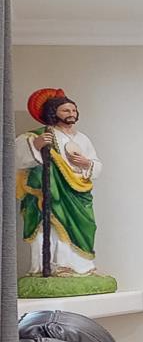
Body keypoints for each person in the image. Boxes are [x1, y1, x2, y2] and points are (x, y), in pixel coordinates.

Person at [15, 87, 101, 275]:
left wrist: (87, 163)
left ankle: (81, 267)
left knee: (85, 226)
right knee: (51, 227)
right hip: (52, 192)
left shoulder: (82, 138)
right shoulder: (39, 134)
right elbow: (18, 157)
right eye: (66, 110)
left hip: (78, 193)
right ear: (54, 113)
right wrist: (36, 146)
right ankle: (55, 266)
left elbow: (96, 164)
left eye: (74, 110)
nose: (72, 114)